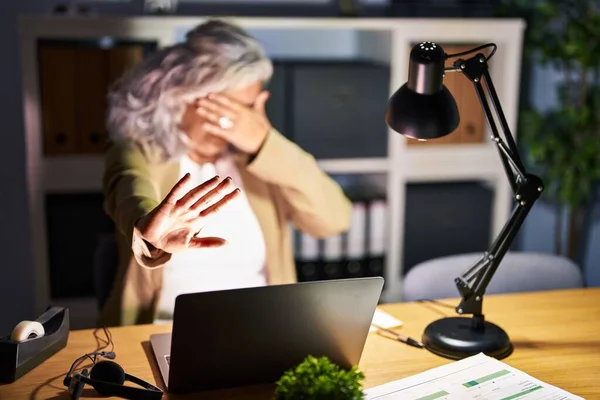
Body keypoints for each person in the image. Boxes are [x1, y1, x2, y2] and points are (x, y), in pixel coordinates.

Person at [99, 19, 352, 326]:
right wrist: (149, 228)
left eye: (250, 108)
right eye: (231, 109)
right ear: (184, 97)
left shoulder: (260, 162)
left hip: (264, 329)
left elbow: (334, 219)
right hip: (164, 331)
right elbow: (128, 189)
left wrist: (265, 141)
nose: (240, 122)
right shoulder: (141, 153)